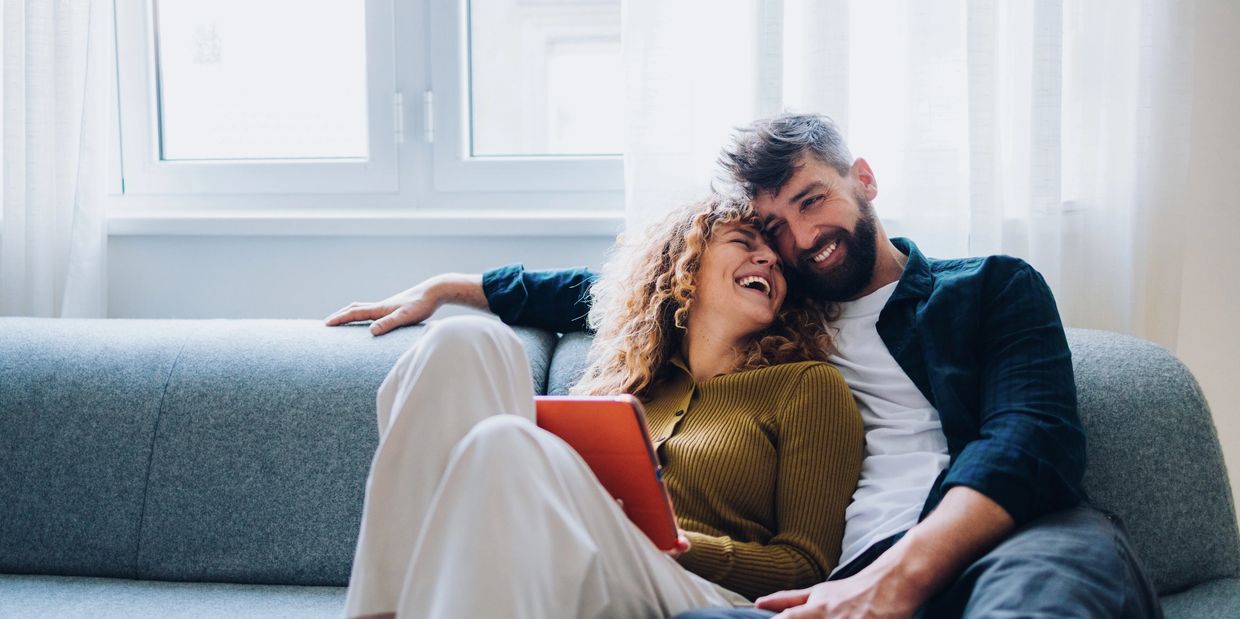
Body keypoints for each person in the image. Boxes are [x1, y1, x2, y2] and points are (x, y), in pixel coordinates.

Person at [336, 113, 1163, 618]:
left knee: (1062, 566)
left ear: (863, 180)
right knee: (478, 373)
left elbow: (1030, 439)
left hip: (979, 541)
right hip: (832, 578)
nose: (799, 241)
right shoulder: (790, 315)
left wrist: (903, 576)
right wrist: (459, 286)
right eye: (770, 230)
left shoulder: (985, 289)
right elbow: (627, 286)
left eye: (812, 201)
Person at [329, 194, 864, 618]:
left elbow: (805, 566)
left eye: (777, 261)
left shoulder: (807, 386)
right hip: (572, 563)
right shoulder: (621, 386)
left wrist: (675, 543)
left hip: (696, 594)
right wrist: (446, 288)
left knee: (505, 440)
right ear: (682, 268)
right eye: (744, 242)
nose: (769, 259)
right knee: (464, 341)